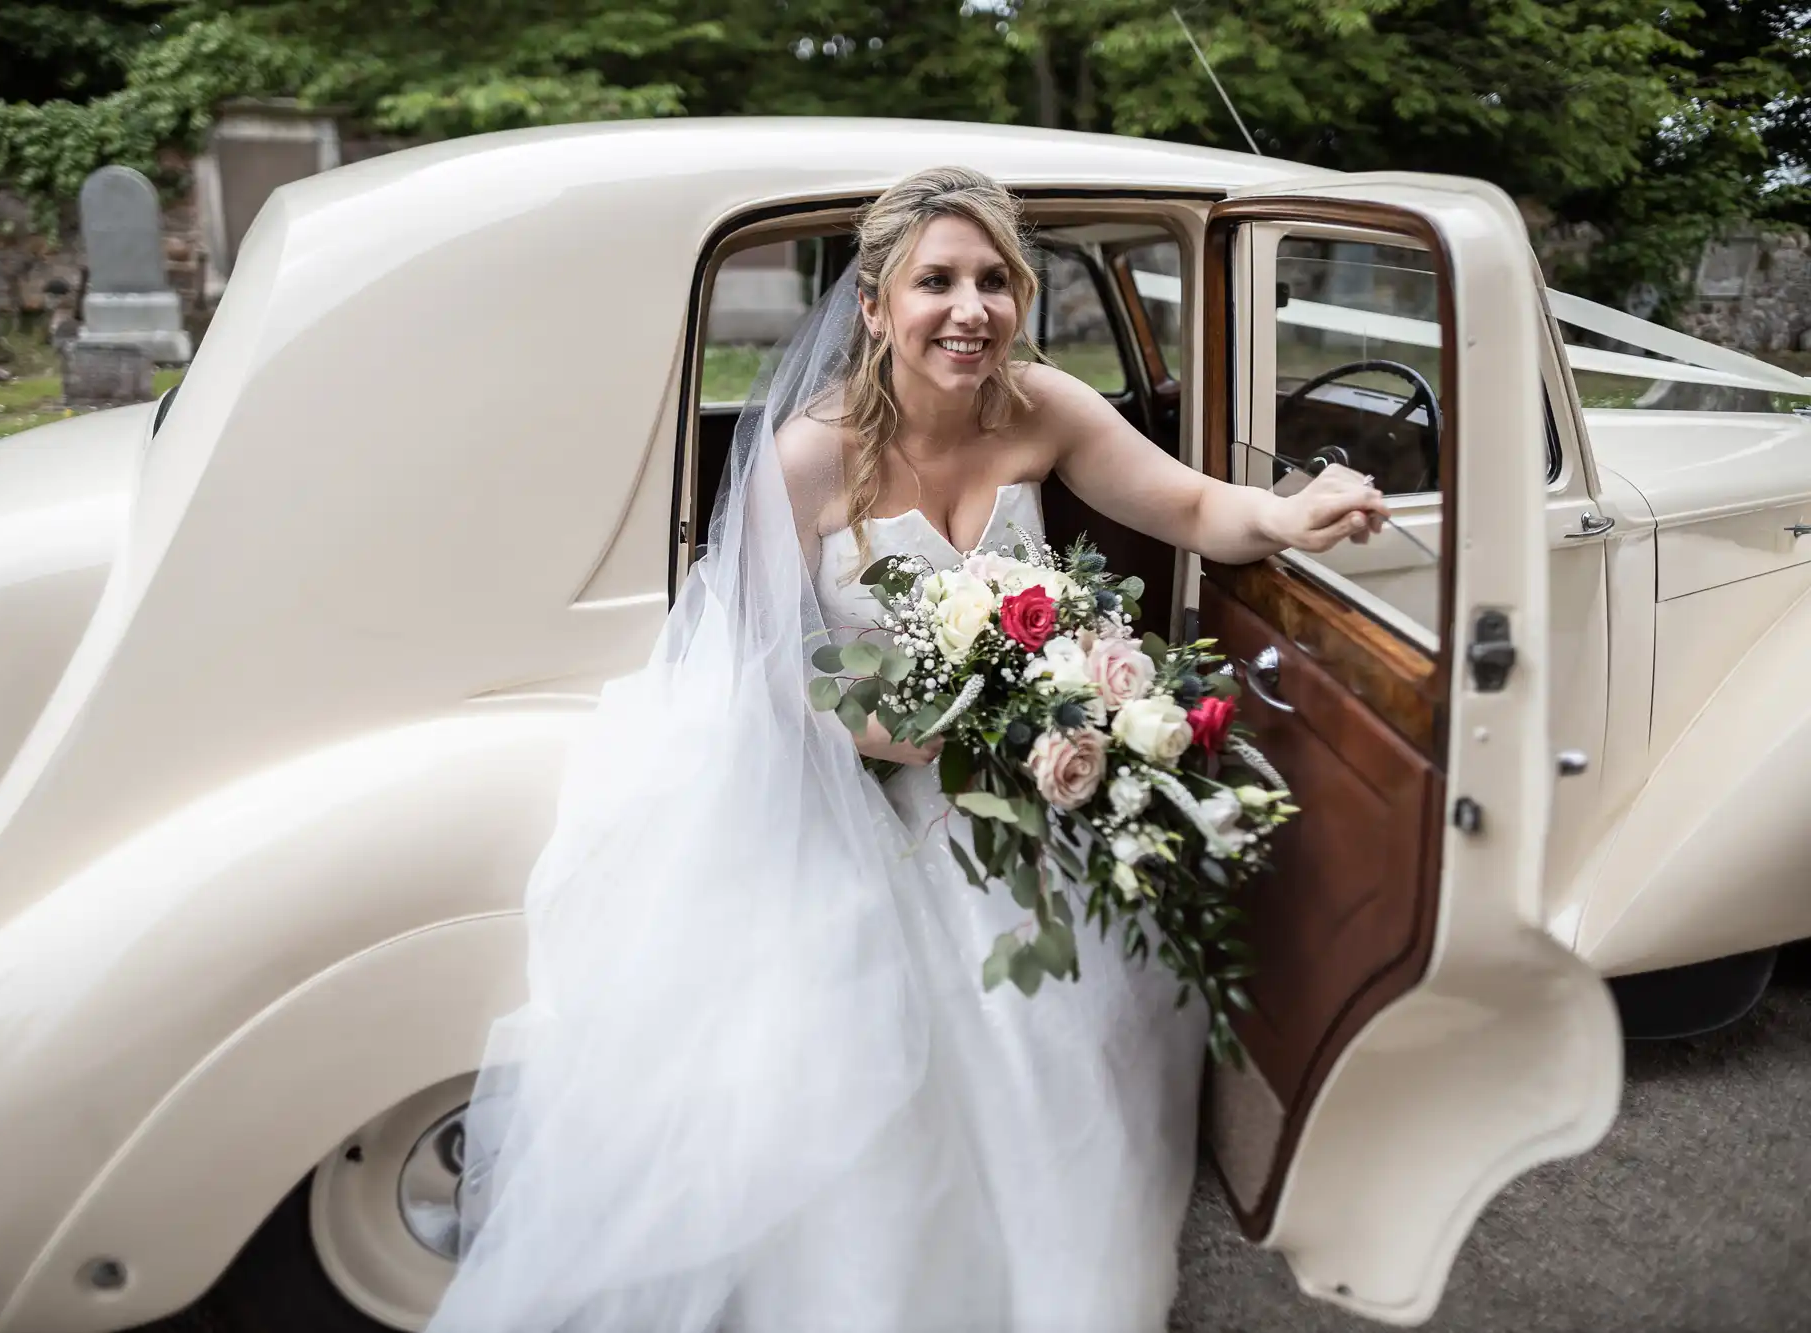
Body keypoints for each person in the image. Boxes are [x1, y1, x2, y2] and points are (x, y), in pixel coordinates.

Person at [427, 167, 1388, 1333]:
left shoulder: (1040, 404)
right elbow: (753, 659)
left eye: (992, 279)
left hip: (1019, 807)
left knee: (1056, 1059)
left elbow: (1188, 508)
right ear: (875, 305)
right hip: (855, 800)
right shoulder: (808, 456)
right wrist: (876, 728)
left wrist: (1285, 515)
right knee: (855, 1057)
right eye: (935, 281)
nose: (968, 308)